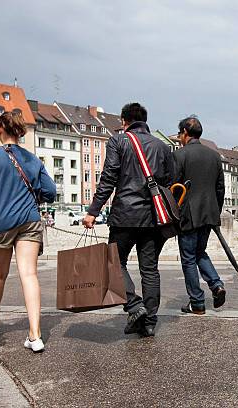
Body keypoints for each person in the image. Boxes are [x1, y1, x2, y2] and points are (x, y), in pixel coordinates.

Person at [83, 103, 175, 337]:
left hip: (124, 215)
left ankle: (134, 306)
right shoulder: (162, 146)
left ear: (124, 121)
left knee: (113, 263)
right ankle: (150, 322)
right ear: (145, 120)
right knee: (150, 269)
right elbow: (169, 179)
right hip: (154, 218)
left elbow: (108, 178)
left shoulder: (119, 141)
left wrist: (94, 210)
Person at [0, 112, 56, 353]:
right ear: (19, 131)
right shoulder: (33, 159)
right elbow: (50, 191)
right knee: (29, 274)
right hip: (29, 220)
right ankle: (35, 335)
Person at [173, 116, 226, 315]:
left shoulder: (180, 155)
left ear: (185, 133)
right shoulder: (214, 156)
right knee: (200, 252)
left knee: (188, 258)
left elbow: (174, 188)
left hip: (188, 215)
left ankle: (197, 302)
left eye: (179, 134)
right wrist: (215, 211)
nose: (179, 138)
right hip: (209, 213)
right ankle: (216, 284)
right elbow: (220, 188)